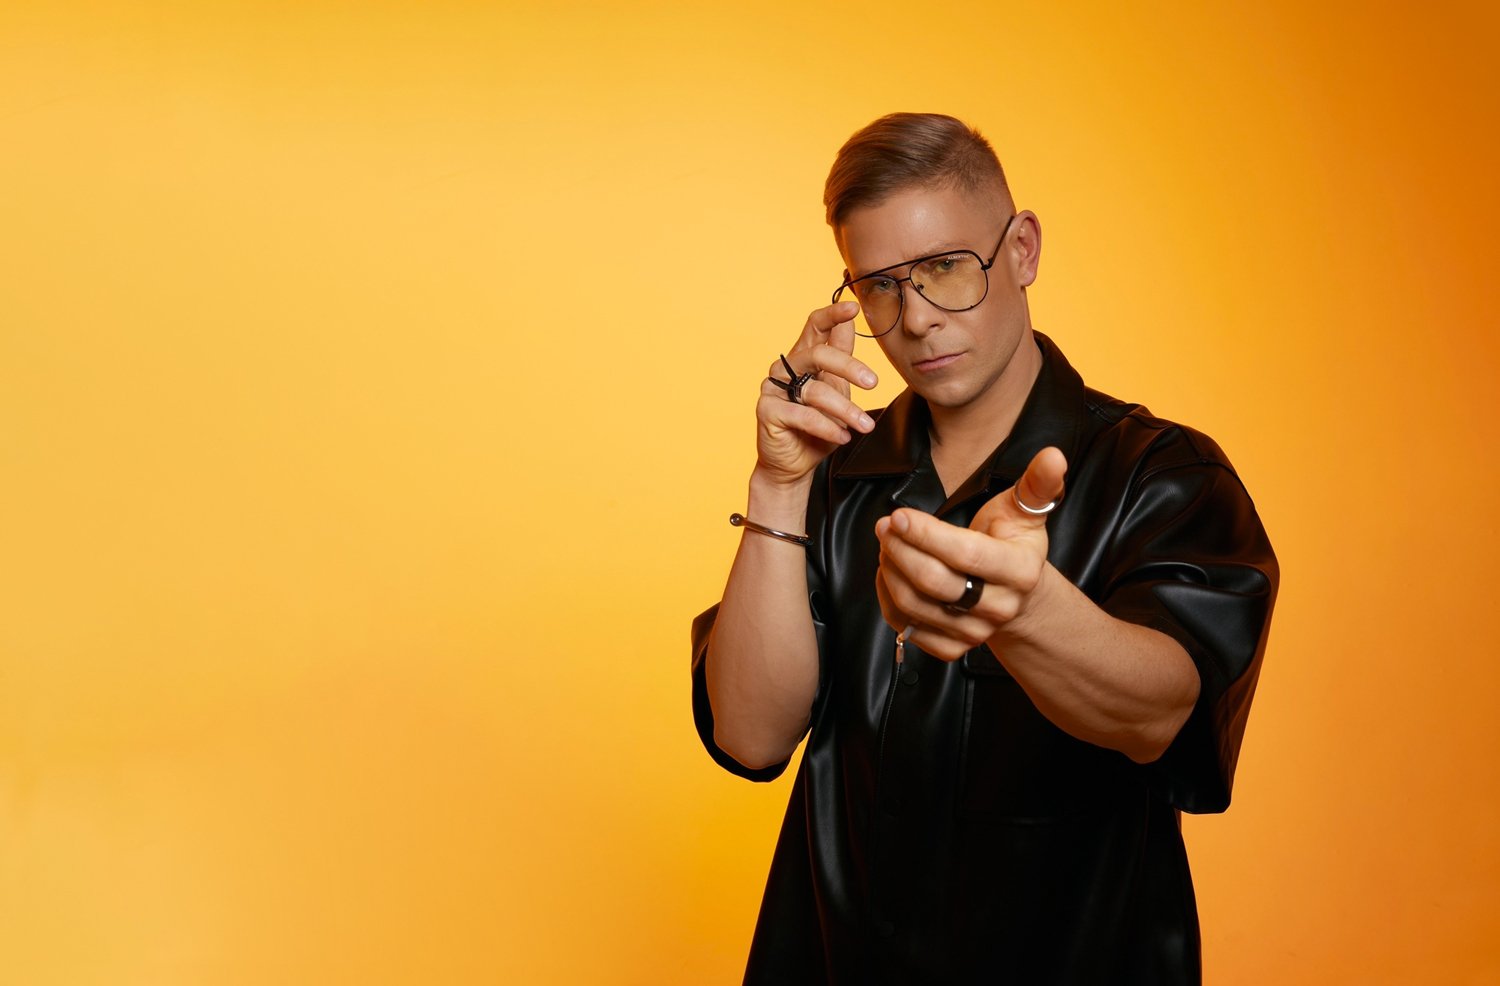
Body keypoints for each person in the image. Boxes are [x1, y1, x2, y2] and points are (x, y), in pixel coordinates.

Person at [690, 112, 1278, 985]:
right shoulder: (835, 473)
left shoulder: (1163, 475)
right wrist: (778, 484)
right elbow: (749, 737)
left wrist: (1025, 612)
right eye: (880, 286)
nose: (917, 319)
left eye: (944, 267)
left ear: (1023, 250)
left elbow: (1160, 716)